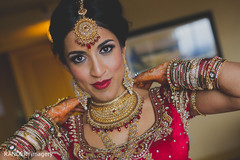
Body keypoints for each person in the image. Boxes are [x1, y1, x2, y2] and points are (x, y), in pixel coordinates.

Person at [0, 0, 240, 159]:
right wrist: (42, 123)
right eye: (78, 58)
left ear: (123, 48)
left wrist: (174, 71)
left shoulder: (167, 102)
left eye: (105, 49)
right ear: (65, 64)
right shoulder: (67, 137)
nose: (97, 70)